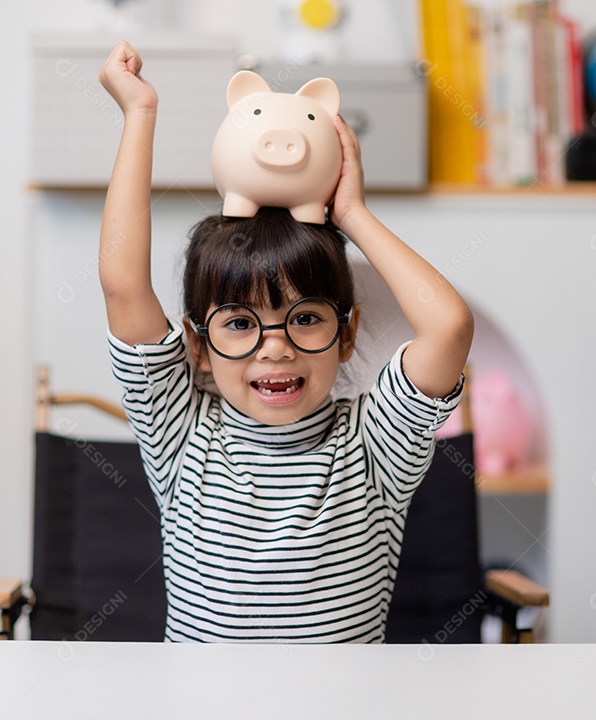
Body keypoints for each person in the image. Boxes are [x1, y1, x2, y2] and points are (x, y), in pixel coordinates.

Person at [98, 41, 474, 643]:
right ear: (198, 346)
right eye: (240, 324)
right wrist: (139, 114)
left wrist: (350, 214)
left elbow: (449, 327)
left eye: (304, 319)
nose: (275, 348)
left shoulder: (375, 447)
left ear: (346, 333)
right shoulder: (180, 434)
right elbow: (122, 286)